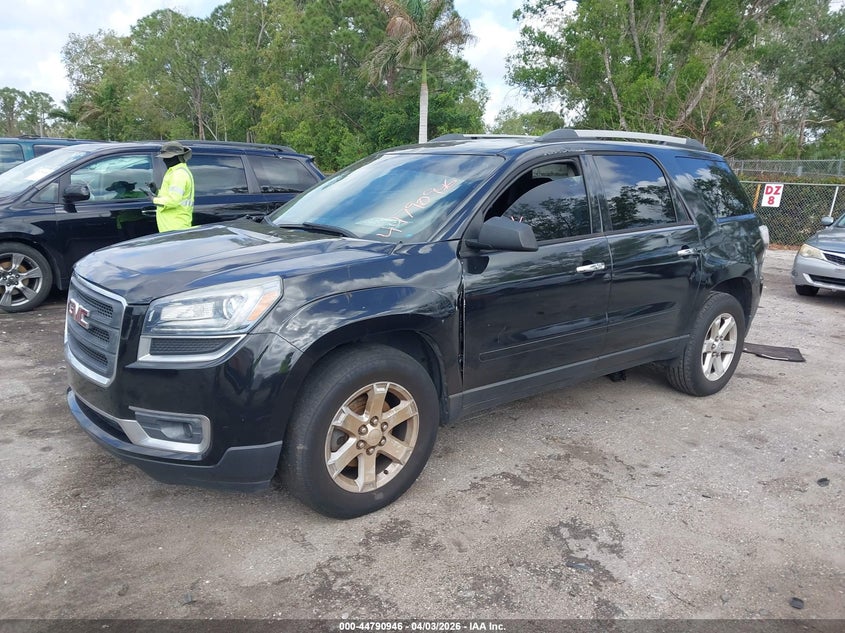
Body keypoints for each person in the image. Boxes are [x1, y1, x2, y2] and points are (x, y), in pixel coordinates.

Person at [153, 141, 194, 232]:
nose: (164, 160)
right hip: (173, 225)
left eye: (168, 158)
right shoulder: (175, 172)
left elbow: (173, 201)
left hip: (175, 226)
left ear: (177, 157)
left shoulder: (179, 174)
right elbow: (173, 195)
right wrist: (157, 192)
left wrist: (154, 199)